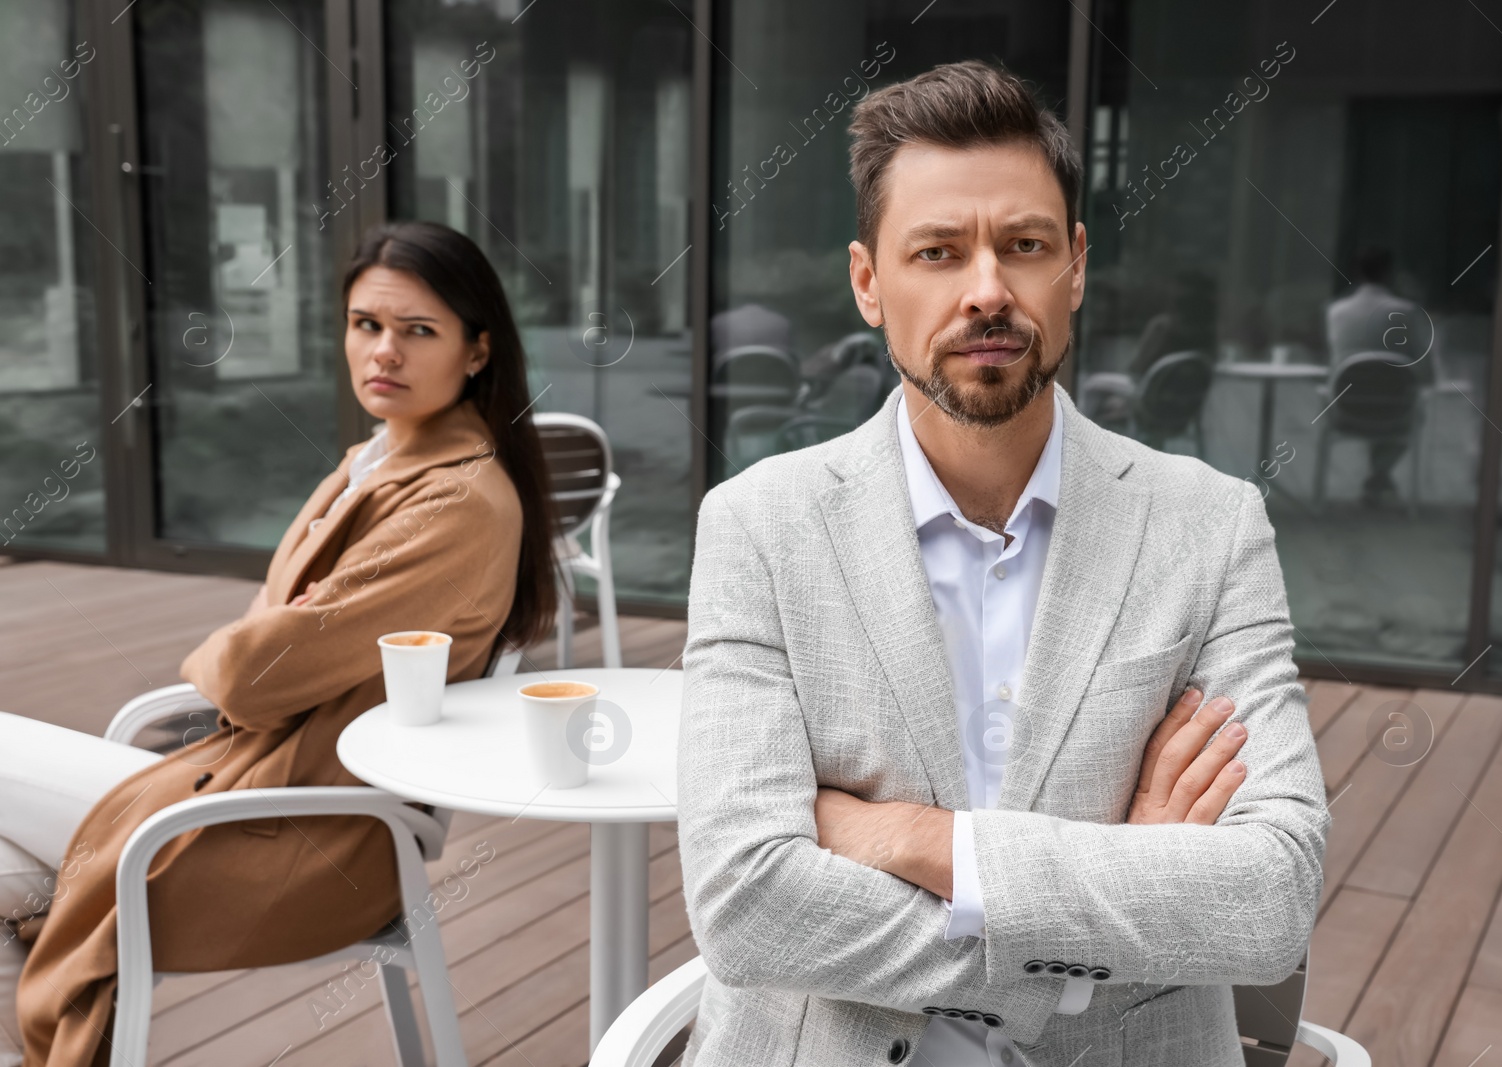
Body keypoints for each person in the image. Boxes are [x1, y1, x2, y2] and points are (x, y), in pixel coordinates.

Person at [678, 61, 1328, 1067]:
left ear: (1072, 265)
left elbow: (1271, 896)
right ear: (866, 282)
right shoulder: (758, 526)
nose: (986, 290)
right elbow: (747, 903)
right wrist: (1111, 899)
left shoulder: (1209, 525)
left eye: (1021, 246)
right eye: (936, 252)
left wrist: (912, 839)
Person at [0, 220, 561, 1067]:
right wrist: (259, 642)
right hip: (238, 784)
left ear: (477, 352)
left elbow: (253, 670)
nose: (385, 353)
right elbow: (272, 642)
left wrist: (235, 649)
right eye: (367, 324)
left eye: (419, 331)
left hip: (305, 832)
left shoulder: (456, 503)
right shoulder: (373, 461)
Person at [1324, 245, 1429, 506]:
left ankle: (1378, 476)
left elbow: (1336, 357)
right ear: (1389, 273)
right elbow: (1425, 369)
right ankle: (1379, 473)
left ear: (1357, 273)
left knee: (1373, 387)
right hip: (1395, 412)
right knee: (1414, 404)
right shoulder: (1407, 311)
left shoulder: (1336, 312)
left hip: (1346, 411)